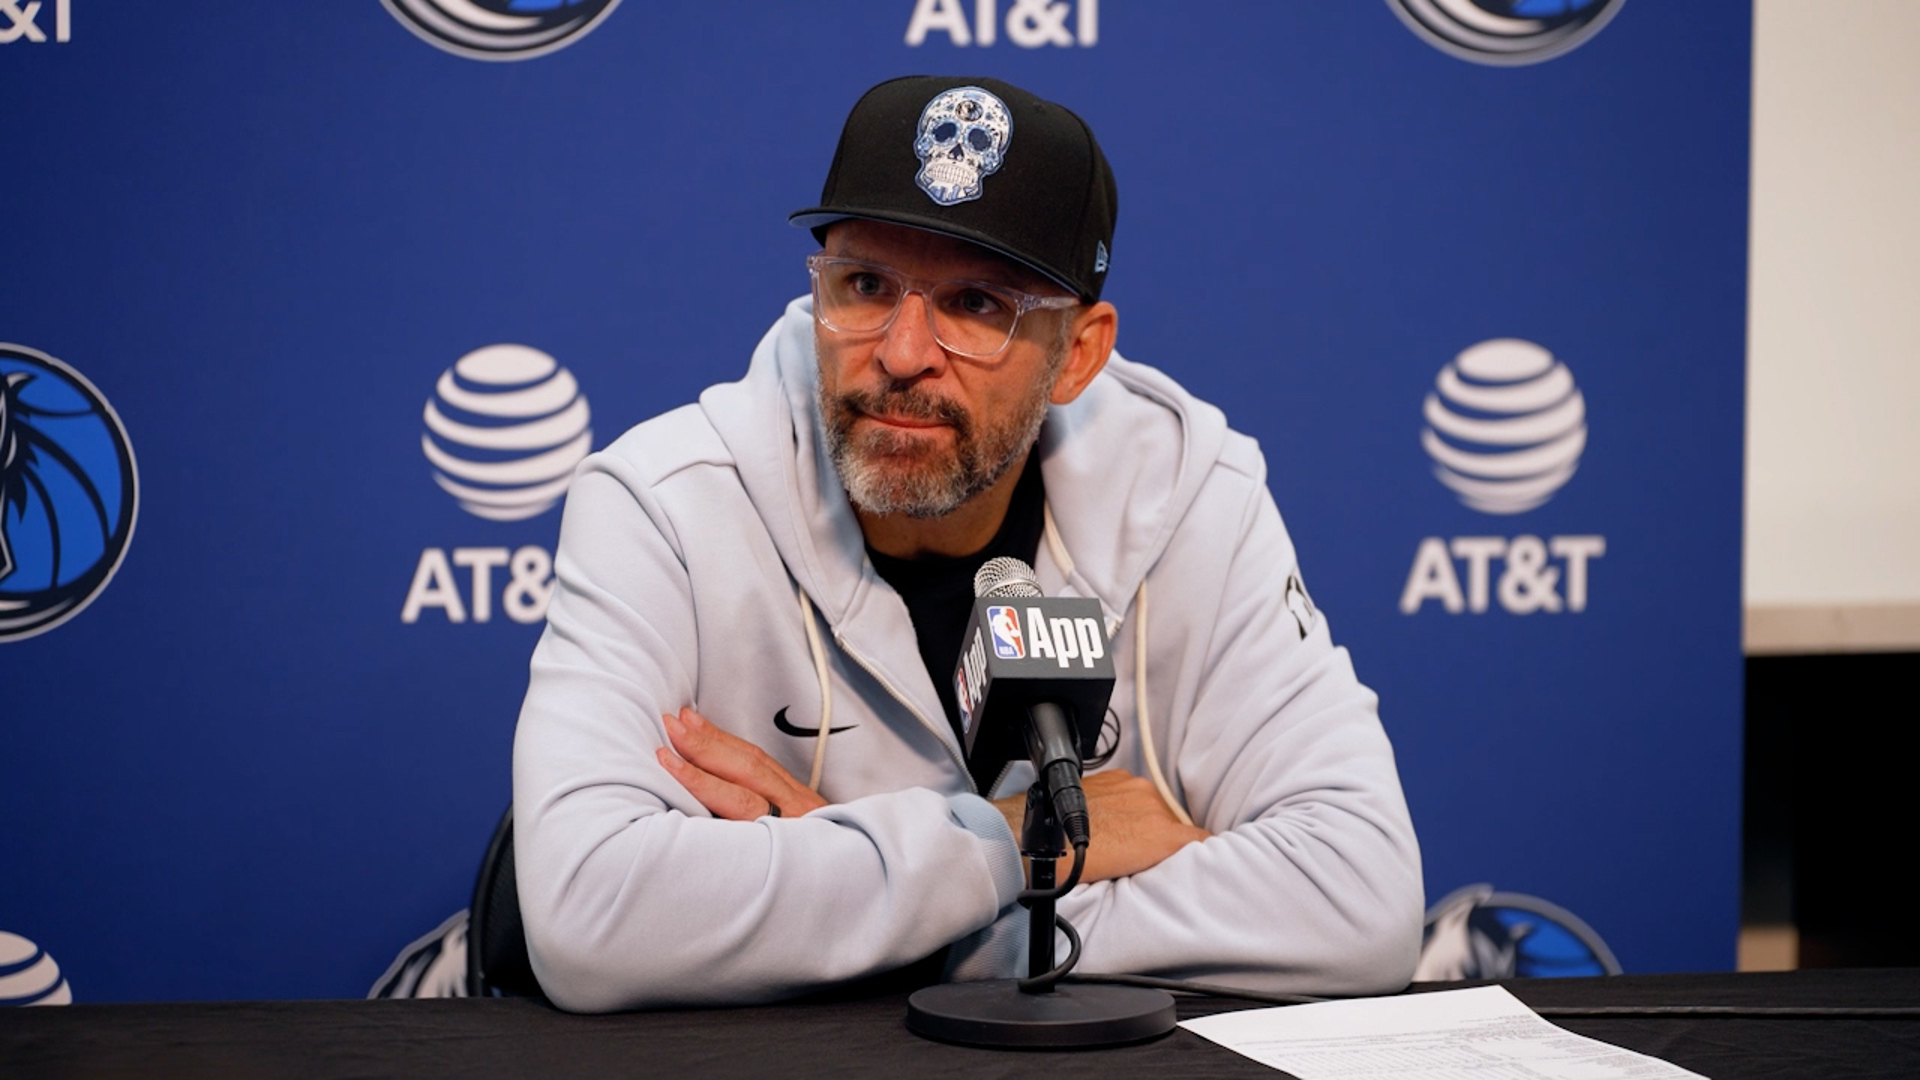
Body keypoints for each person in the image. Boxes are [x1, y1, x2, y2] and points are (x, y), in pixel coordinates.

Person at [512, 75, 1422, 1013]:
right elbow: (590, 917)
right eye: (864, 286)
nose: (903, 352)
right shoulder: (662, 502)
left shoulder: (1195, 493)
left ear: (1077, 352)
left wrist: (871, 918)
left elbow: (1359, 901)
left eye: (977, 305)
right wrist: (1006, 841)